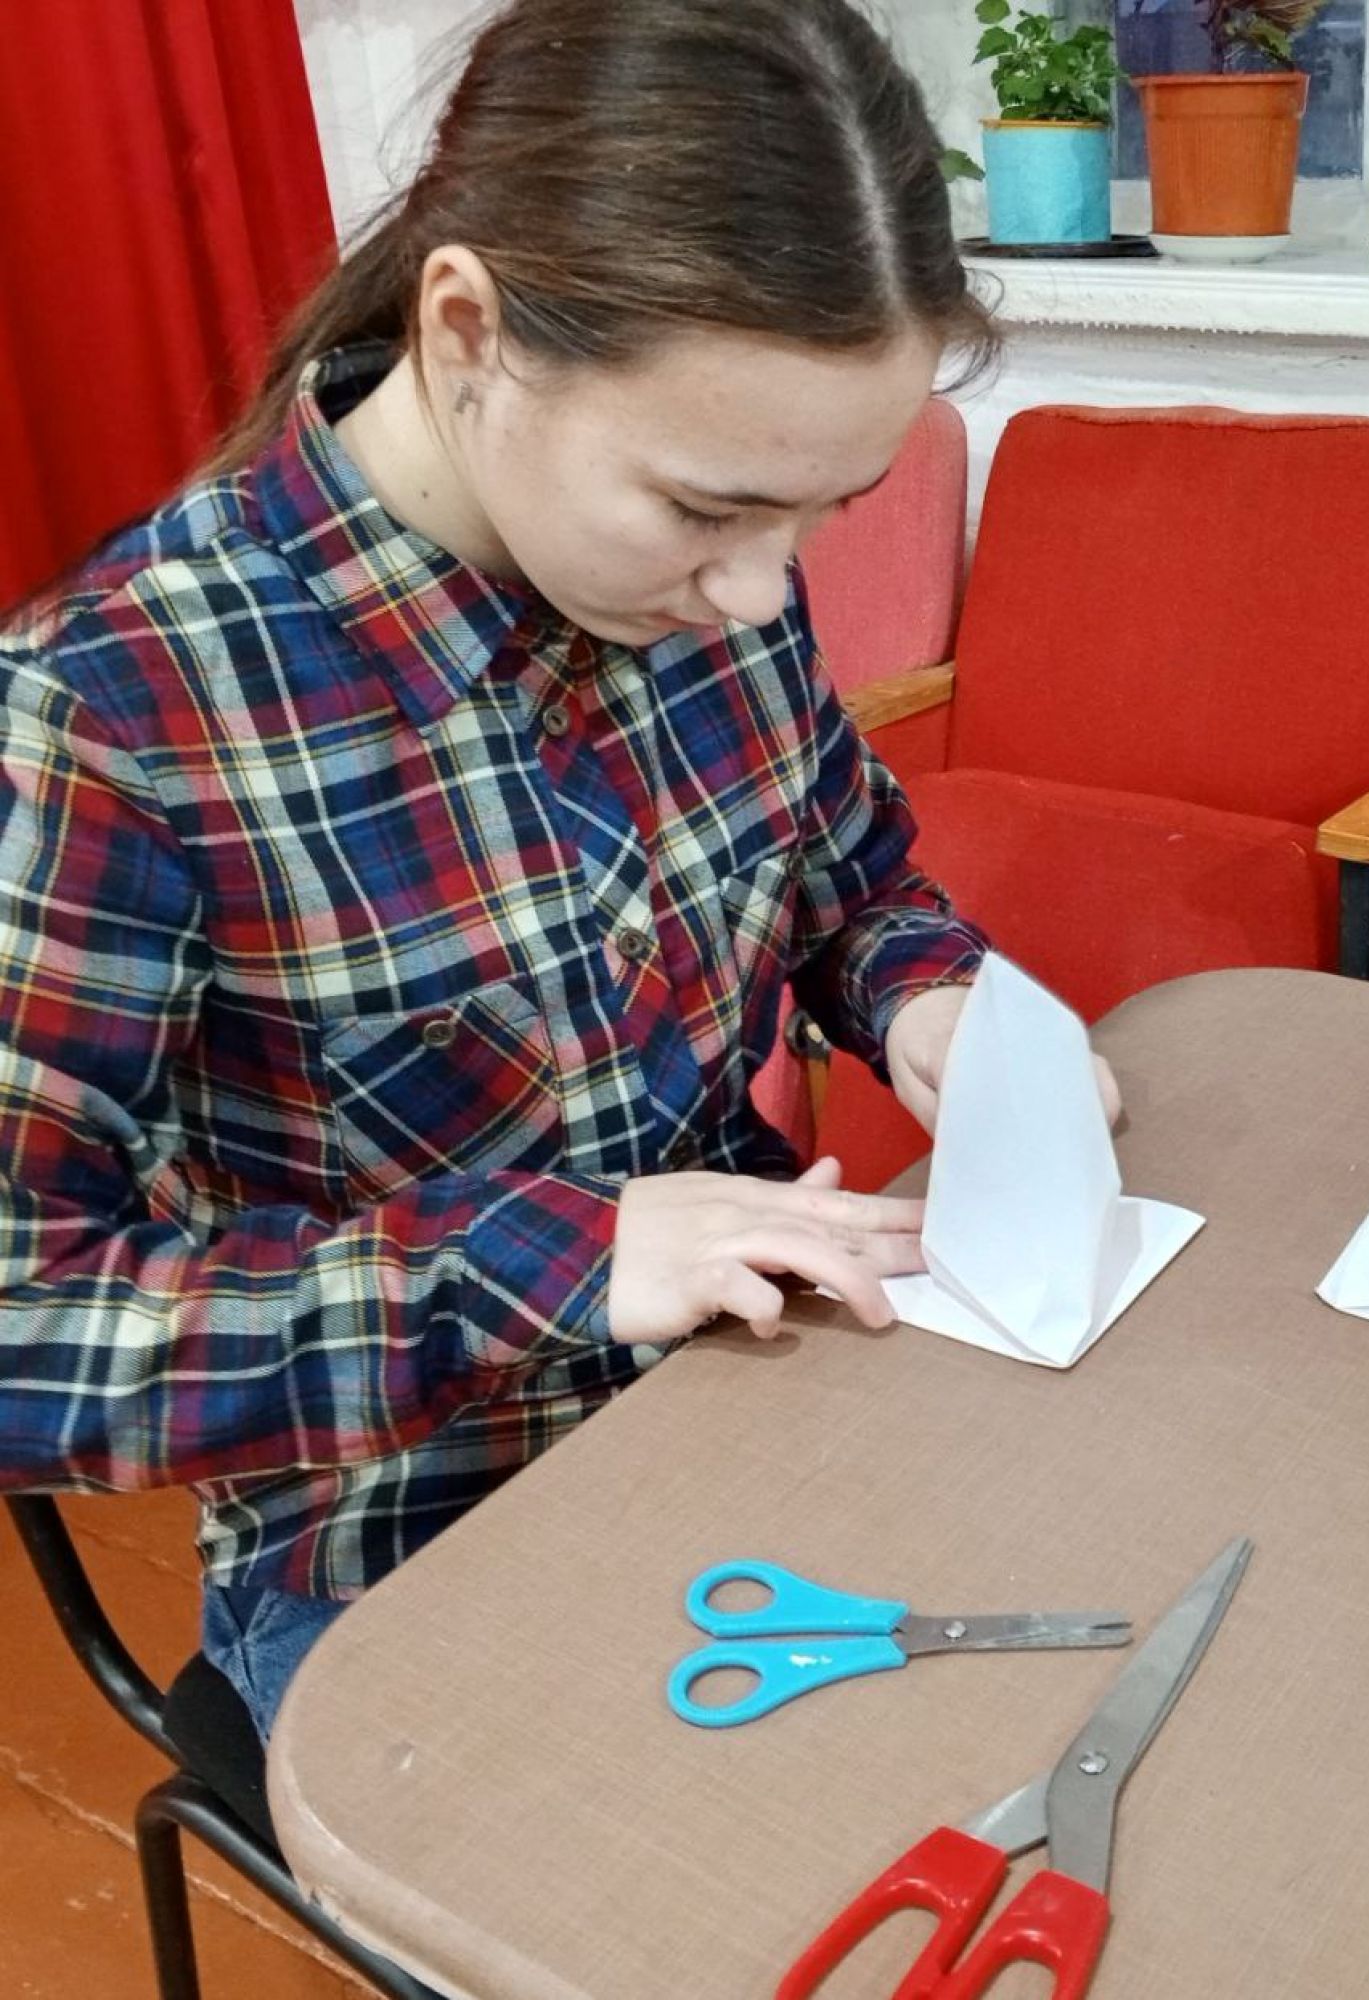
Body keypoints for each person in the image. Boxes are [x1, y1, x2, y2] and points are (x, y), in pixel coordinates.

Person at [0, 0, 1099, 1741]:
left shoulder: (707, 584)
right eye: (705, 510)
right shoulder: (114, 711)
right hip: (410, 1559)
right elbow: (23, 1332)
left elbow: (849, 885)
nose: (762, 590)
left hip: (764, 1407)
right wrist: (544, 1262)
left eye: (825, 511)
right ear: (468, 332)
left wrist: (928, 999)